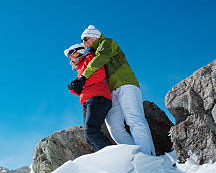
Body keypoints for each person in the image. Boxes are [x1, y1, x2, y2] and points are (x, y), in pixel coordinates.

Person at [68, 25, 155, 155]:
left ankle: (148, 155)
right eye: (82, 41)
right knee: (114, 128)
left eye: (85, 39)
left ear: (94, 36)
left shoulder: (106, 43)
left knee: (134, 119)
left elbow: (102, 57)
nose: (83, 43)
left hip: (125, 83)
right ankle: (136, 156)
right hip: (111, 90)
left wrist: (83, 77)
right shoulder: (93, 53)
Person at [64, 44, 113, 151]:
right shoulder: (80, 67)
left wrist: (81, 83)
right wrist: (74, 89)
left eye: (71, 52)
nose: (70, 57)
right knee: (88, 136)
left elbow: (99, 75)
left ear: (80, 51)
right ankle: (106, 160)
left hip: (98, 96)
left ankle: (117, 157)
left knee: (91, 131)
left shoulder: (89, 58)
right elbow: (84, 87)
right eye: (68, 55)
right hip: (88, 100)